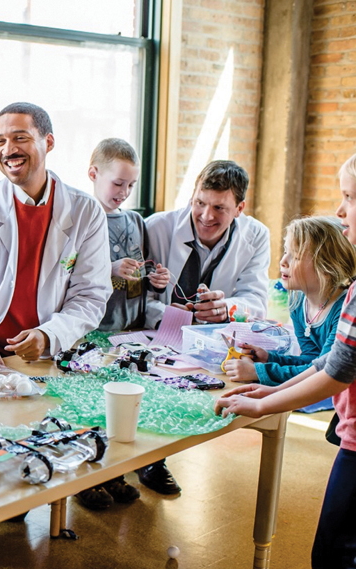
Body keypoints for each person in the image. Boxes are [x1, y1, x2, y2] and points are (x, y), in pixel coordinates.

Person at [0, 102, 112, 569]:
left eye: (21, 138)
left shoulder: (85, 213)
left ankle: (15, 488)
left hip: (39, 354)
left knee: (61, 422)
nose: (9, 149)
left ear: (48, 143)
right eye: (0, 141)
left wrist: (50, 335)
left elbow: (91, 296)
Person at [214, 153, 356, 569]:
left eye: (349, 196)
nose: (339, 209)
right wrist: (264, 385)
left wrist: (263, 400)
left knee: (332, 554)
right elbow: (323, 363)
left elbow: (335, 373)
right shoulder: (300, 302)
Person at [142, 160, 270, 495]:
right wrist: (172, 315)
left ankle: (156, 455)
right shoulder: (155, 227)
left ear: (240, 208)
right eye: (200, 203)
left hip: (214, 344)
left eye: (219, 208)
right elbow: (134, 297)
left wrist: (226, 307)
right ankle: (149, 459)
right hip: (157, 335)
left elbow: (257, 300)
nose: (206, 216)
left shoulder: (256, 236)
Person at [76, 138, 171, 510]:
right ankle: (85, 477)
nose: (124, 192)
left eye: (131, 186)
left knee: (119, 410)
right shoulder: (80, 217)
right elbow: (67, 273)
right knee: (87, 408)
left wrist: (154, 278)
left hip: (129, 333)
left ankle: (113, 474)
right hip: (92, 332)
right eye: (118, 183)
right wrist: (109, 270)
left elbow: (140, 273)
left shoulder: (135, 221)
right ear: (93, 173)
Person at [225, 217, 355, 402]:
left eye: (295, 256)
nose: (283, 261)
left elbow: (324, 372)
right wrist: (270, 358)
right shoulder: (298, 302)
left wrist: (258, 371)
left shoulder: (343, 310)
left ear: (326, 266)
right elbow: (312, 360)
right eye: (286, 252)